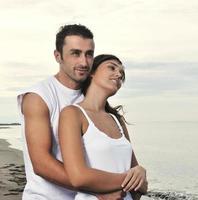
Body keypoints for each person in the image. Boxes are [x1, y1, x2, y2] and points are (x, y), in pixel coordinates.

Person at [17, 24, 139, 200]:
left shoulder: (91, 98)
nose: (84, 62)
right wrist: (100, 190)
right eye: (75, 53)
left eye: (89, 54)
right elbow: (41, 163)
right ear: (58, 56)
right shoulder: (39, 97)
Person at [58, 54, 148, 200]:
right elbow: (78, 176)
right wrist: (130, 181)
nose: (119, 74)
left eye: (122, 73)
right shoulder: (72, 114)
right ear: (91, 72)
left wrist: (141, 172)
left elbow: (140, 185)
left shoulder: (117, 120)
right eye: (112, 67)